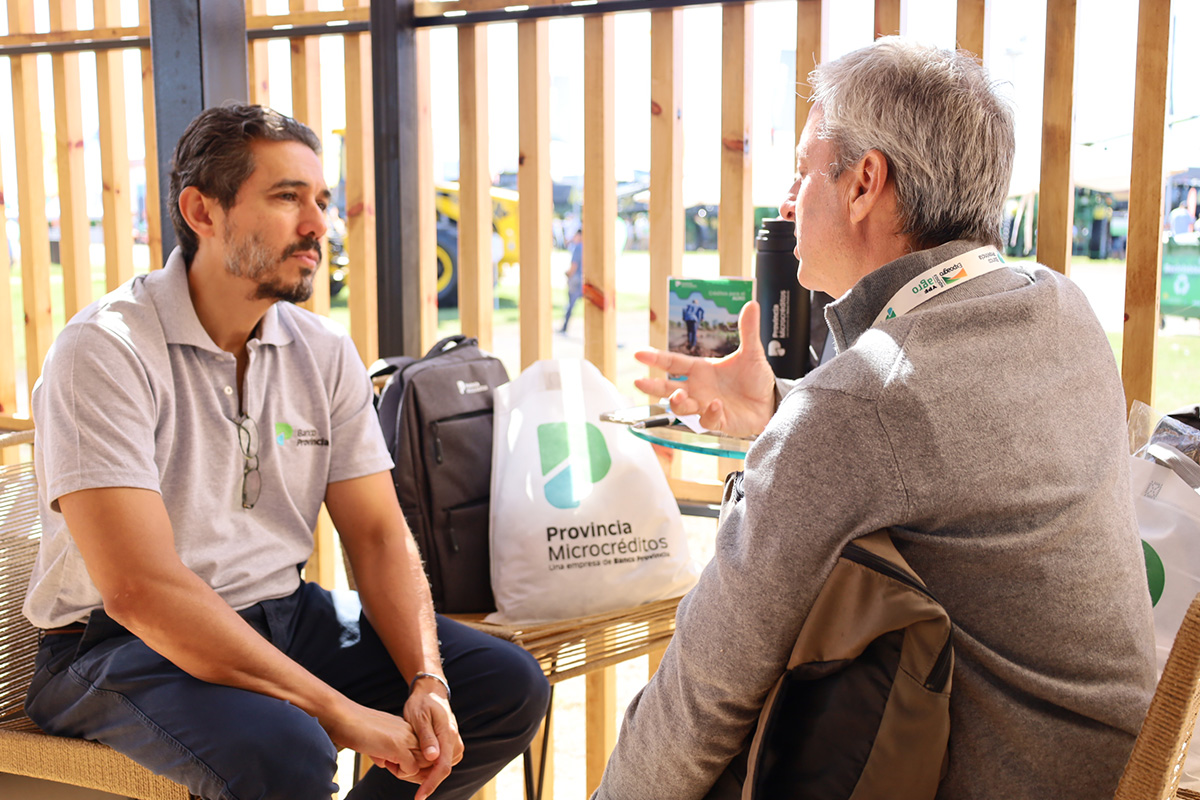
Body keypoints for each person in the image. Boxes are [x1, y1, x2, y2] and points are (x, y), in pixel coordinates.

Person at [595, 38, 1155, 800]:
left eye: (801, 168)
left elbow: (702, 691)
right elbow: (944, 448)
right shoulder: (1060, 308)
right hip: (1111, 771)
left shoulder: (864, 402)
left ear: (864, 183)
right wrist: (778, 413)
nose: (787, 201)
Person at [22, 103, 550, 800]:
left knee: (502, 686)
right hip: (118, 645)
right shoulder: (105, 351)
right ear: (202, 212)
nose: (318, 226)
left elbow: (378, 534)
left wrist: (427, 678)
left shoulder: (322, 351)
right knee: (288, 749)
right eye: (287, 198)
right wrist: (339, 712)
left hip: (283, 613)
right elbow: (138, 589)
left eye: (322, 201)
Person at [561, 227, 584, 332]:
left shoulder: (578, 248)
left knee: (570, 304)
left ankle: (565, 326)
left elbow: (574, 265)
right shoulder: (587, 247)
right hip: (584, 279)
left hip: (576, 279)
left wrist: (568, 274)